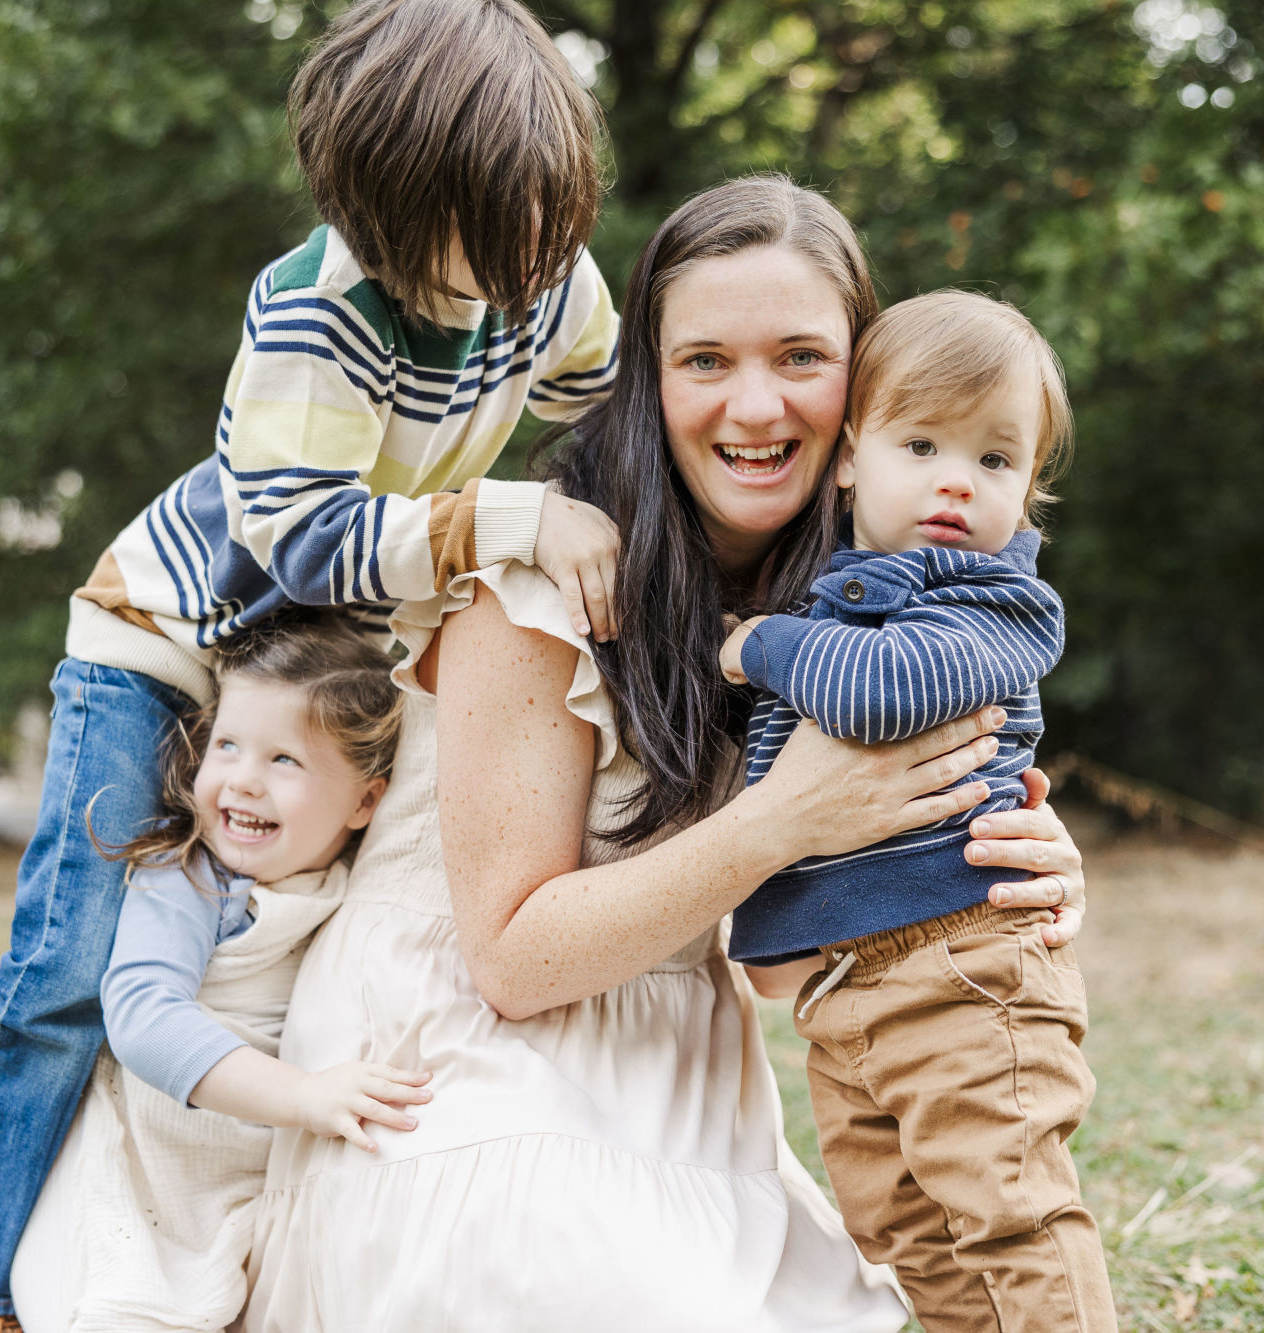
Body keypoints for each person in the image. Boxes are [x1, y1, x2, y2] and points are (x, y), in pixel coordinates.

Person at [241, 176, 1093, 1332]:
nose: (754, 406)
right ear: (648, 379)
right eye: (703, 361)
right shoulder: (540, 584)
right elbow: (512, 963)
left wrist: (996, 864)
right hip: (456, 1062)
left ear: (863, 398)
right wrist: (785, 820)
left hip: (677, 1078)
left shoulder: (859, 610)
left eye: (800, 357)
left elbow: (782, 960)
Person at [0, 2, 620, 1326]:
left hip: (314, 675)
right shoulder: (310, 316)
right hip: (167, 647)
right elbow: (300, 537)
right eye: (479, 234)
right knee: (72, 965)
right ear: (384, 206)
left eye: (543, 222)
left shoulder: (551, 277)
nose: (519, 265)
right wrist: (513, 516)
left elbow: (602, 399)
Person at [719, 290, 1114, 1331]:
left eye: (994, 459)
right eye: (921, 441)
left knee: (1007, 1214)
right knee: (908, 1238)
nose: (955, 477)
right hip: (843, 993)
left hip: (964, 963)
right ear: (849, 456)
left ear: (1027, 492)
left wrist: (754, 644)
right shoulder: (831, 593)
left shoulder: (994, 603)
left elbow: (878, 690)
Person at [6, 614, 430, 1333]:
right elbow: (141, 1013)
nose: (242, 780)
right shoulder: (193, 878)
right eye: (227, 745)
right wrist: (302, 1094)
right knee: (131, 1298)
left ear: (366, 799)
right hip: (151, 1164)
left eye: (284, 760)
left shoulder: (354, 887)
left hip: (248, 1184)